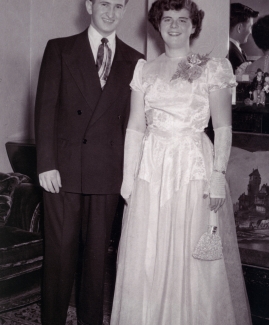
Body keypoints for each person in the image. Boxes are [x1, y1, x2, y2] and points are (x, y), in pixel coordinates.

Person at [110, 0, 252, 324]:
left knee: (191, 252)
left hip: (192, 167)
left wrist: (218, 177)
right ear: (158, 24)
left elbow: (223, 128)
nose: (174, 26)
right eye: (167, 19)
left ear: (193, 25)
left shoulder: (213, 67)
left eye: (182, 19)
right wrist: (128, 179)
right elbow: (134, 126)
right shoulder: (143, 69)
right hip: (151, 168)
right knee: (148, 254)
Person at [34, 0, 144, 324]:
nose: (111, 13)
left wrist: (132, 174)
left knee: (97, 262)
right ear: (89, 5)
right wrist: (45, 163)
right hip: (62, 171)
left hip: (109, 171)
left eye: (119, 6)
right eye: (104, 4)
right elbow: (45, 110)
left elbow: (135, 125)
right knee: (60, 257)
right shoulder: (60, 49)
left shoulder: (136, 60)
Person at [228, 3, 259, 73]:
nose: (251, 32)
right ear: (239, 28)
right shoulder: (233, 54)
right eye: (250, 27)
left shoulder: (233, 50)